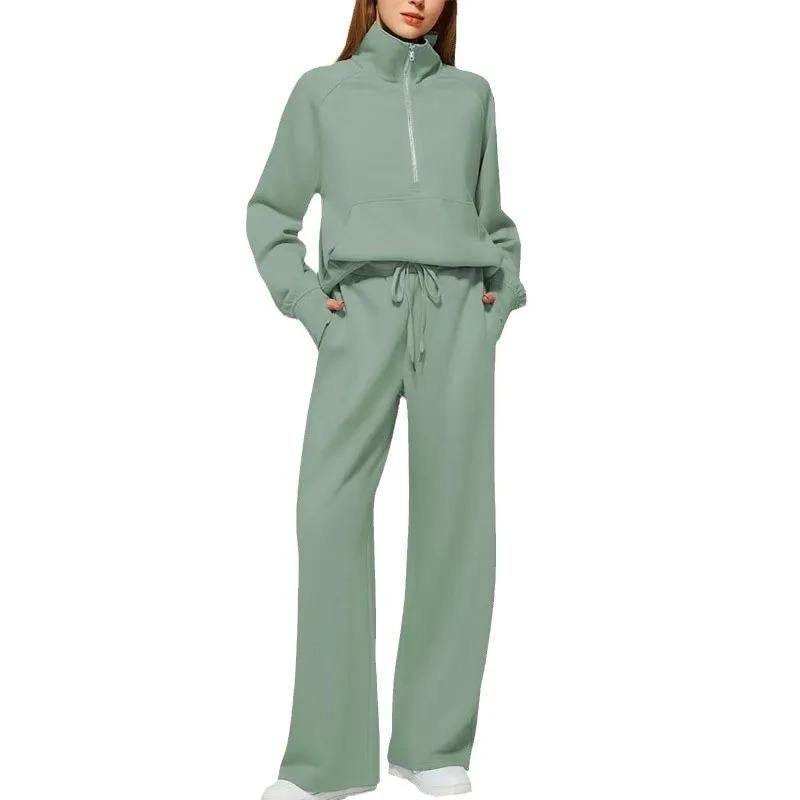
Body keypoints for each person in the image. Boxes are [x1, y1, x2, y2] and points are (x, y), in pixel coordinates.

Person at [246, 1, 524, 797]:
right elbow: (270, 214)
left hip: (456, 312)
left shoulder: (470, 96)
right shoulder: (322, 91)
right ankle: (325, 762)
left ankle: (432, 746)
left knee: (456, 526)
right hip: (360, 313)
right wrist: (310, 305)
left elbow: (494, 222)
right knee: (327, 514)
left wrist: (497, 299)